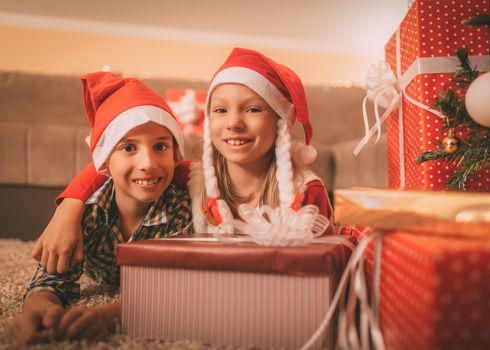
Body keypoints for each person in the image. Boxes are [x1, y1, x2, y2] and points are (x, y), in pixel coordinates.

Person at [32, 47, 334, 274]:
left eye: (253, 110)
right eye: (220, 110)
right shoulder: (196, 179)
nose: (234, 123)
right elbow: (115, 167)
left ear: (280, 122)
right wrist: (68, 209)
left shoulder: (305, 192)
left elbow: (323, 271)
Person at [8, 72, 192, 345]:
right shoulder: (87, 215)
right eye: (129, 147)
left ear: (175, 154)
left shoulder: (182, 210)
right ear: (104, 162)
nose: (148, 163)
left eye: (160, 146)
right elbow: (50, 281)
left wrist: (111, 316)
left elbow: (181, 292)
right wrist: (40, 312)